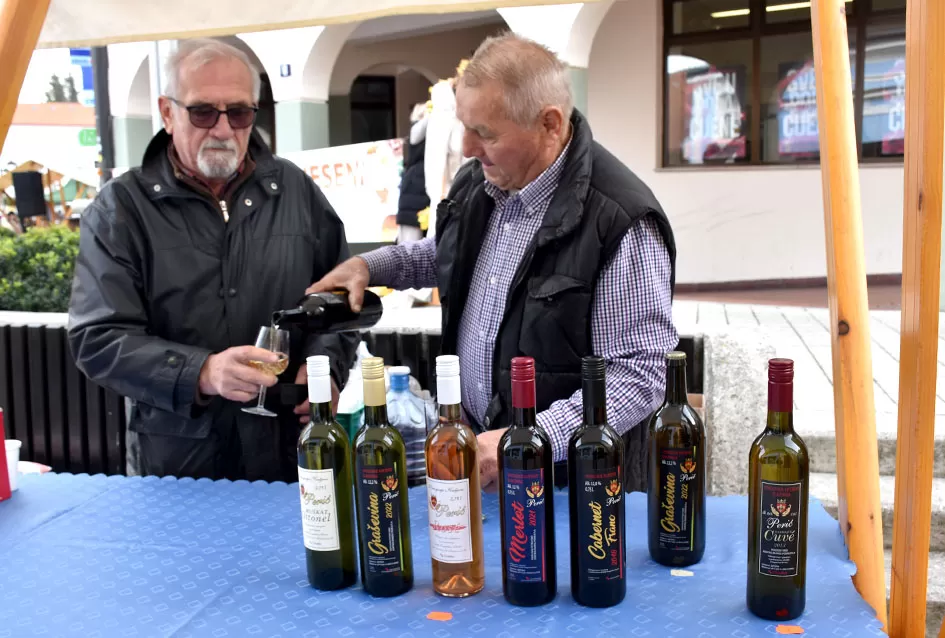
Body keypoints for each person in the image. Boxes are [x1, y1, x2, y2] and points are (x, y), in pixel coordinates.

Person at [308, 33, 678, 493]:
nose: (466, 147)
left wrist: (528, 442)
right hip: (486, 471)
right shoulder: (481, 181)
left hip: (577, 490)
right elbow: (447, 254)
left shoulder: (619, 218)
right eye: (464, 126)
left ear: (549, 124)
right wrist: (371, 266)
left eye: (484, 133)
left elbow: (640, 373)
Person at [67, 38, 359, 482]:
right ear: (167, 113)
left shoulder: (296, 191)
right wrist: (201, 372)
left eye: (239, 113)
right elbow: (98, 339)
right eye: (203, 112)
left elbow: (339, 300)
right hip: (178, 469)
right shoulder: (120, 210)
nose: (223, 129)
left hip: (290, 456)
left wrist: (324, 369)